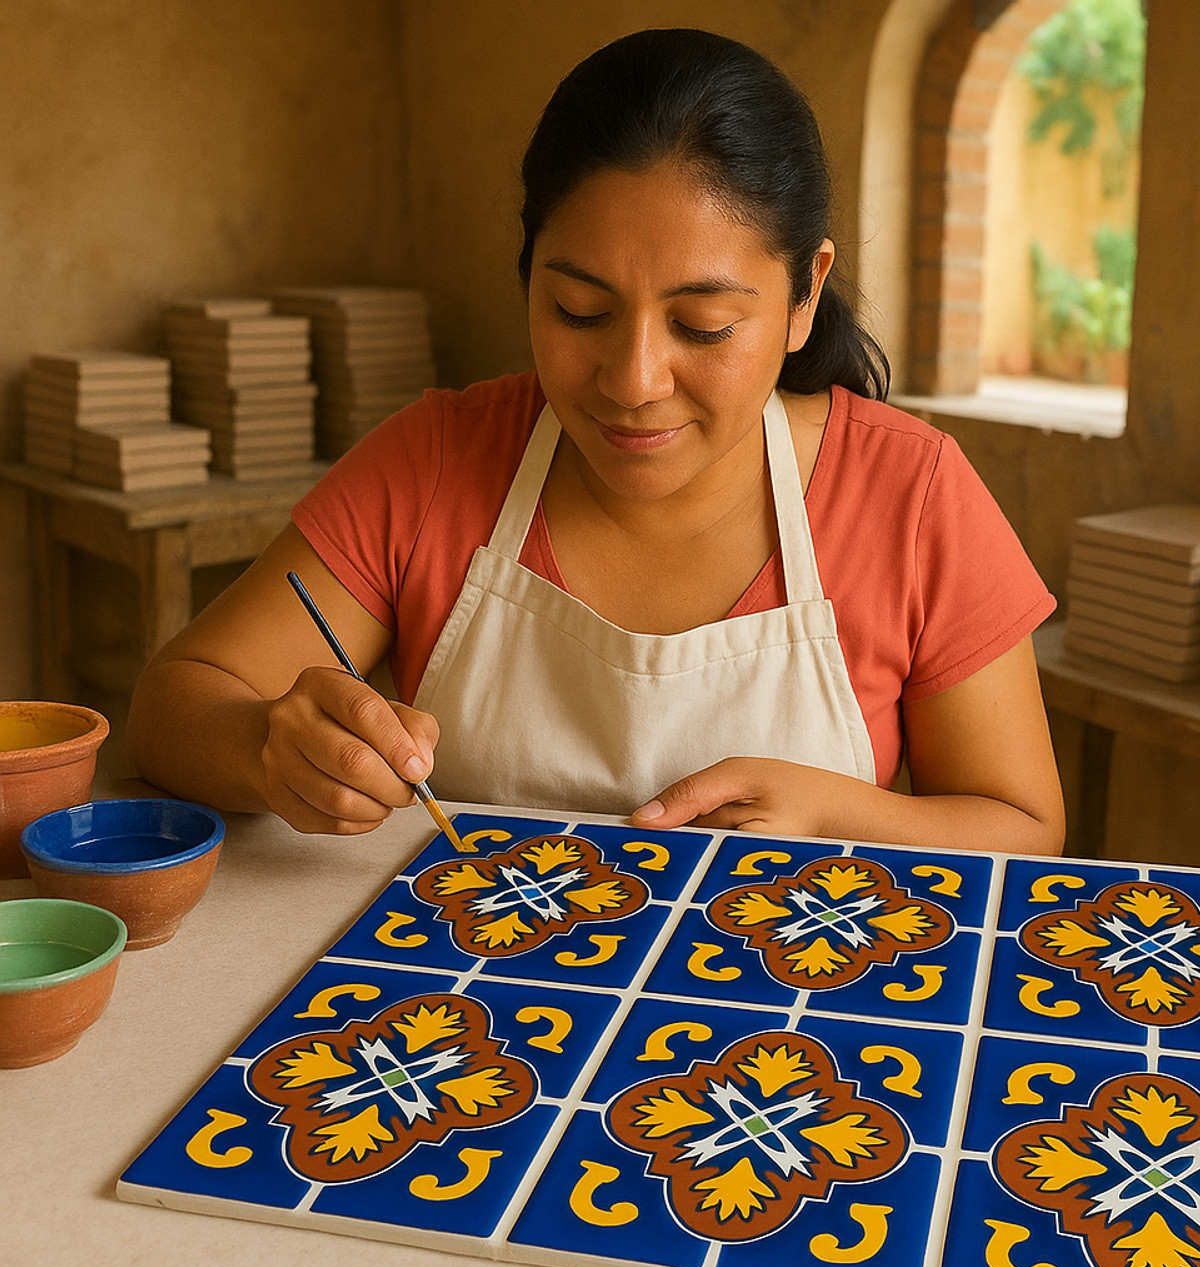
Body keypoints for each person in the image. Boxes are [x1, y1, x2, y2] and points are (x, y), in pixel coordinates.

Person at [127, 28, 1064, 855]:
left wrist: (845, 816)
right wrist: (269, 749)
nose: (633, 382)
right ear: (529, 272)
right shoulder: (436, 463)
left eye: (701, 324)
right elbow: (173, 706)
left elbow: (1024, 826)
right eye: (580, 311)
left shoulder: (911, 494)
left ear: (804, 295)